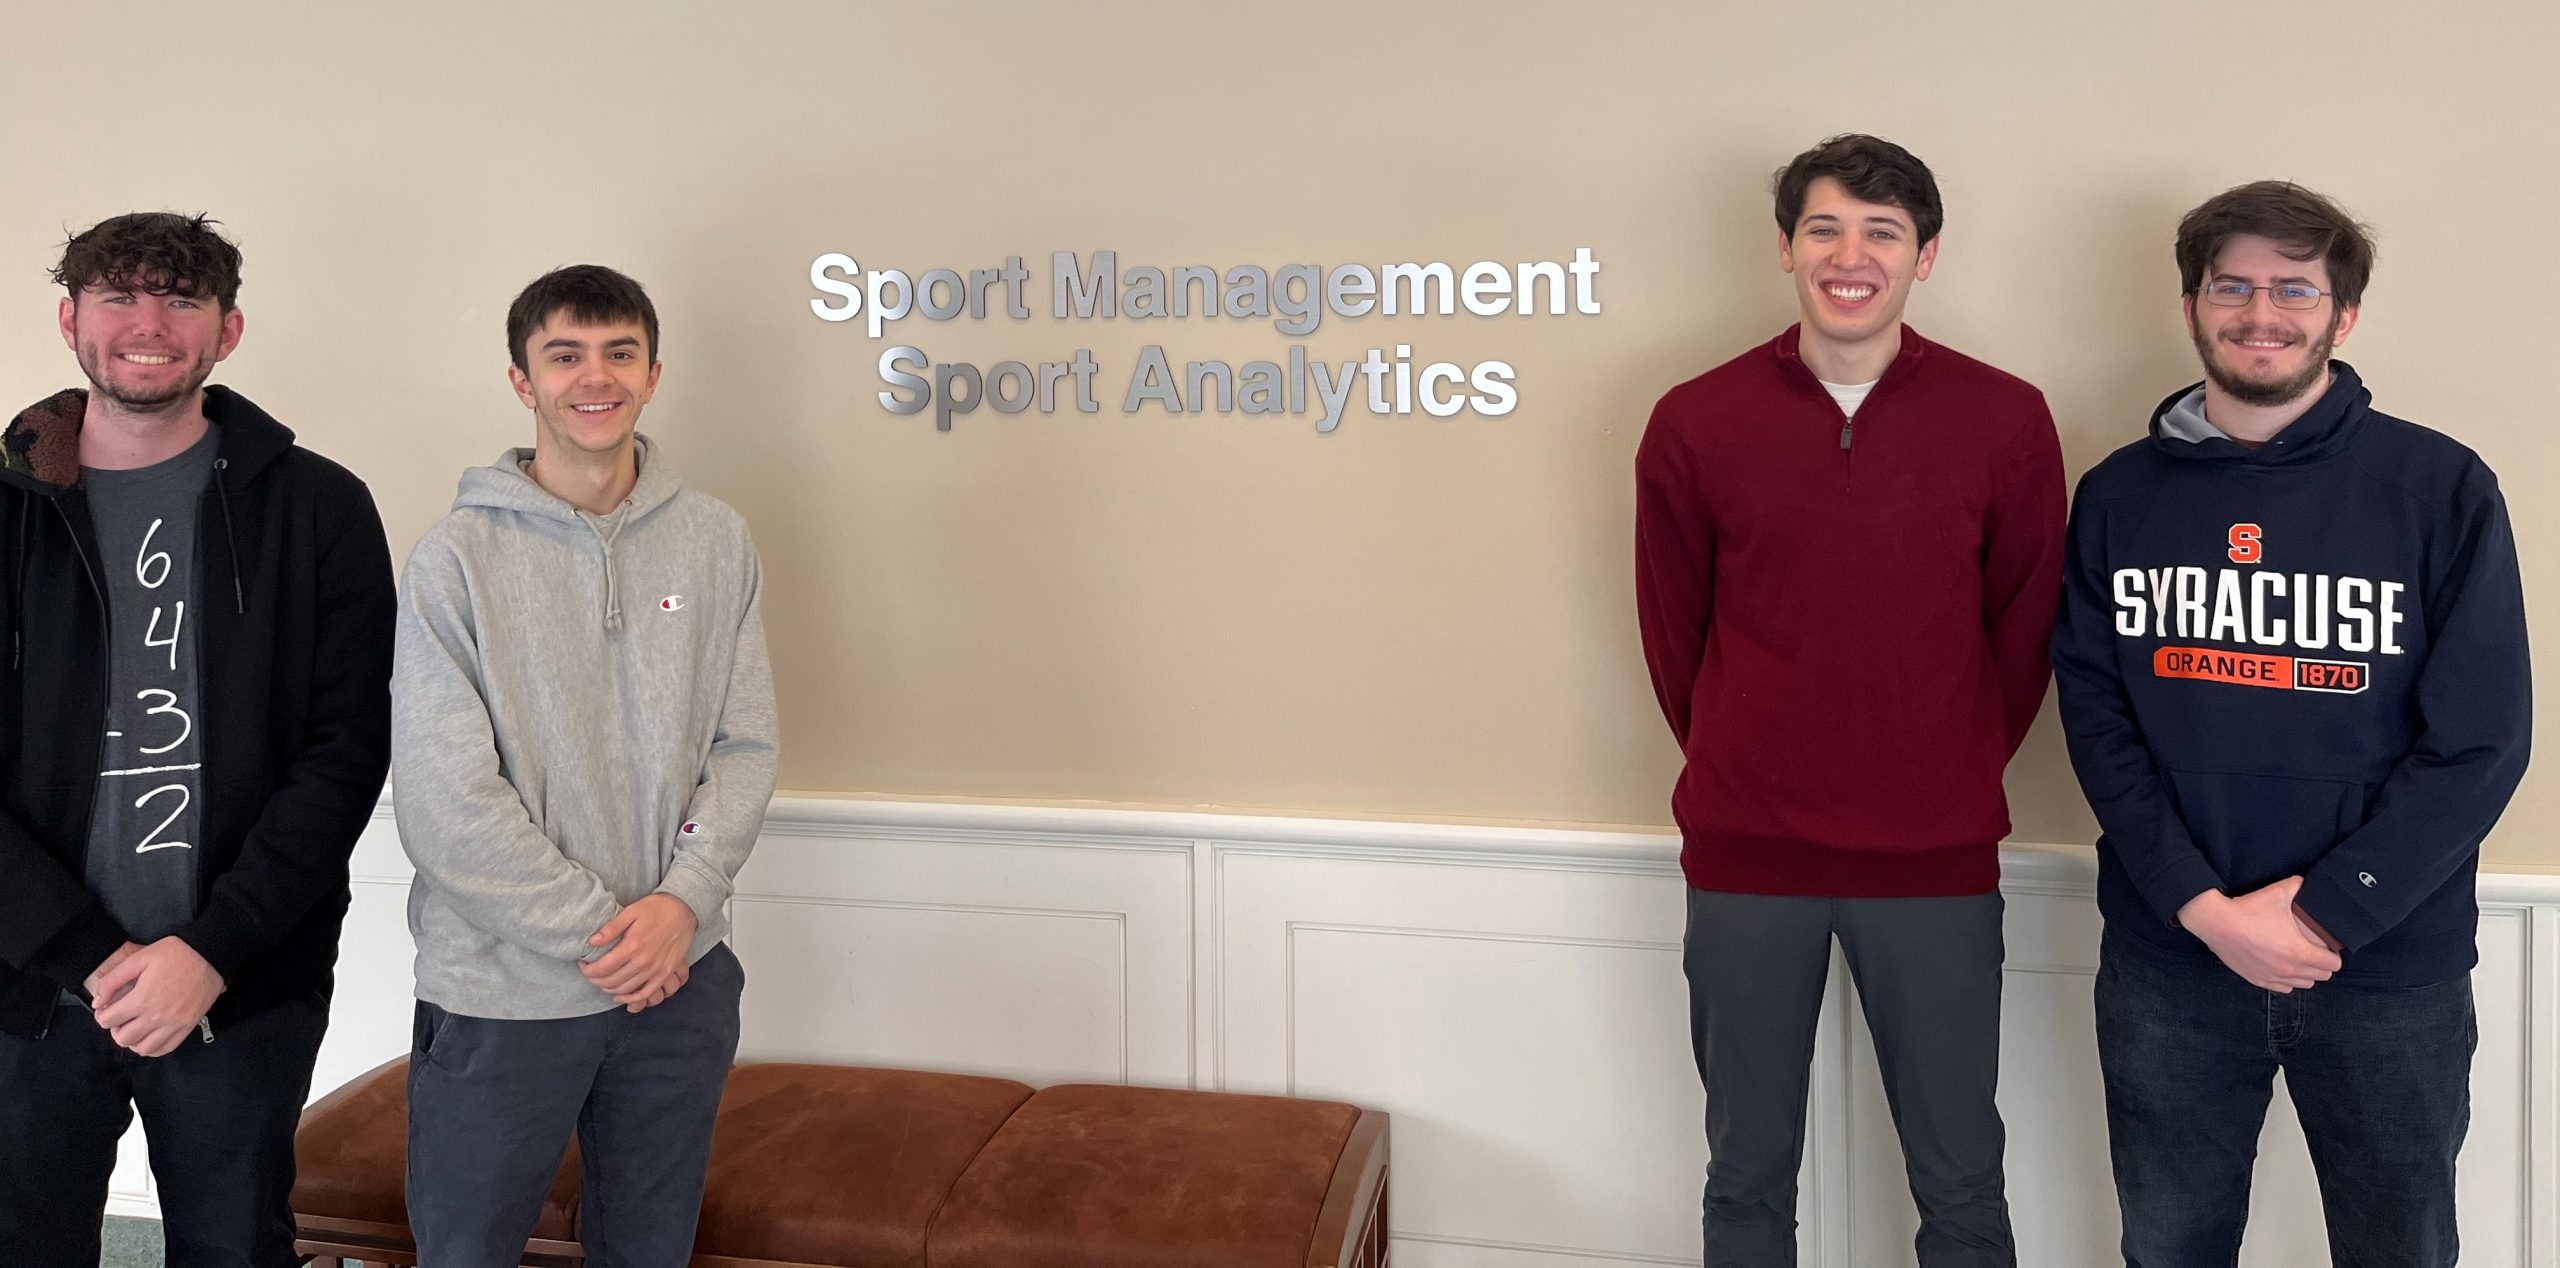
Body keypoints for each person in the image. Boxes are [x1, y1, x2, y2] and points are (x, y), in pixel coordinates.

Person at [2052, 180, 2530, 1265]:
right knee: (2169, 1245)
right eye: (2231, 285)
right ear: (2190, 306)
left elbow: (2480, 739)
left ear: (2341, 315)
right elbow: (2096, 716)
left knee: (2398, 1248)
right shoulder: (2118, 496)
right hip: (2171, 957)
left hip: (2383, 964)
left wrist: (2323, 911)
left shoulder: (2440, 487)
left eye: (2292, 288)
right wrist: (2203, 907)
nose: (2258, 311)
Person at [1633, 134, 2065, 1266]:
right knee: (1745, 1177)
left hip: (1934, 858)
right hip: (1745, 857)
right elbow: (1674, 631)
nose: (1850, 254)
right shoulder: (1693, 418)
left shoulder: (2006, 418)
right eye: (1823, 227)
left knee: (1962, 1175)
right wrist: (1747, 750)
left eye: (1882, 231)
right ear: (1784, 247)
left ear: (1925, 256)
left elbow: (2023, 632)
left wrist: (1946, 758)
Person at [0, 211, 396, 1266]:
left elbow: (344, 750)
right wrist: (87, 956)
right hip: (26, 984)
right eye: (120, 294)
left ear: (227, 331)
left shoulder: (320, 509)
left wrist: (208, 950)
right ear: (69, 319)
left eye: (181, 299)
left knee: (237, 1247)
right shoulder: (5, 512)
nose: (149, 322)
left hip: (241, 981)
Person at [393, 263, 778, 1266]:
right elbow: (446, 802)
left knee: (649, 1250)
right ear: (523, 381)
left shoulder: (717, 539)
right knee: (466, 1251)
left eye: (618, 353)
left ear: (654, 374)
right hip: (505, 994)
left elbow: (744, 747)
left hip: (680, 982)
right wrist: (611, 936)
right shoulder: (456, 558)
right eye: (564, 355)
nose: (592, 377)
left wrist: (681, 908)